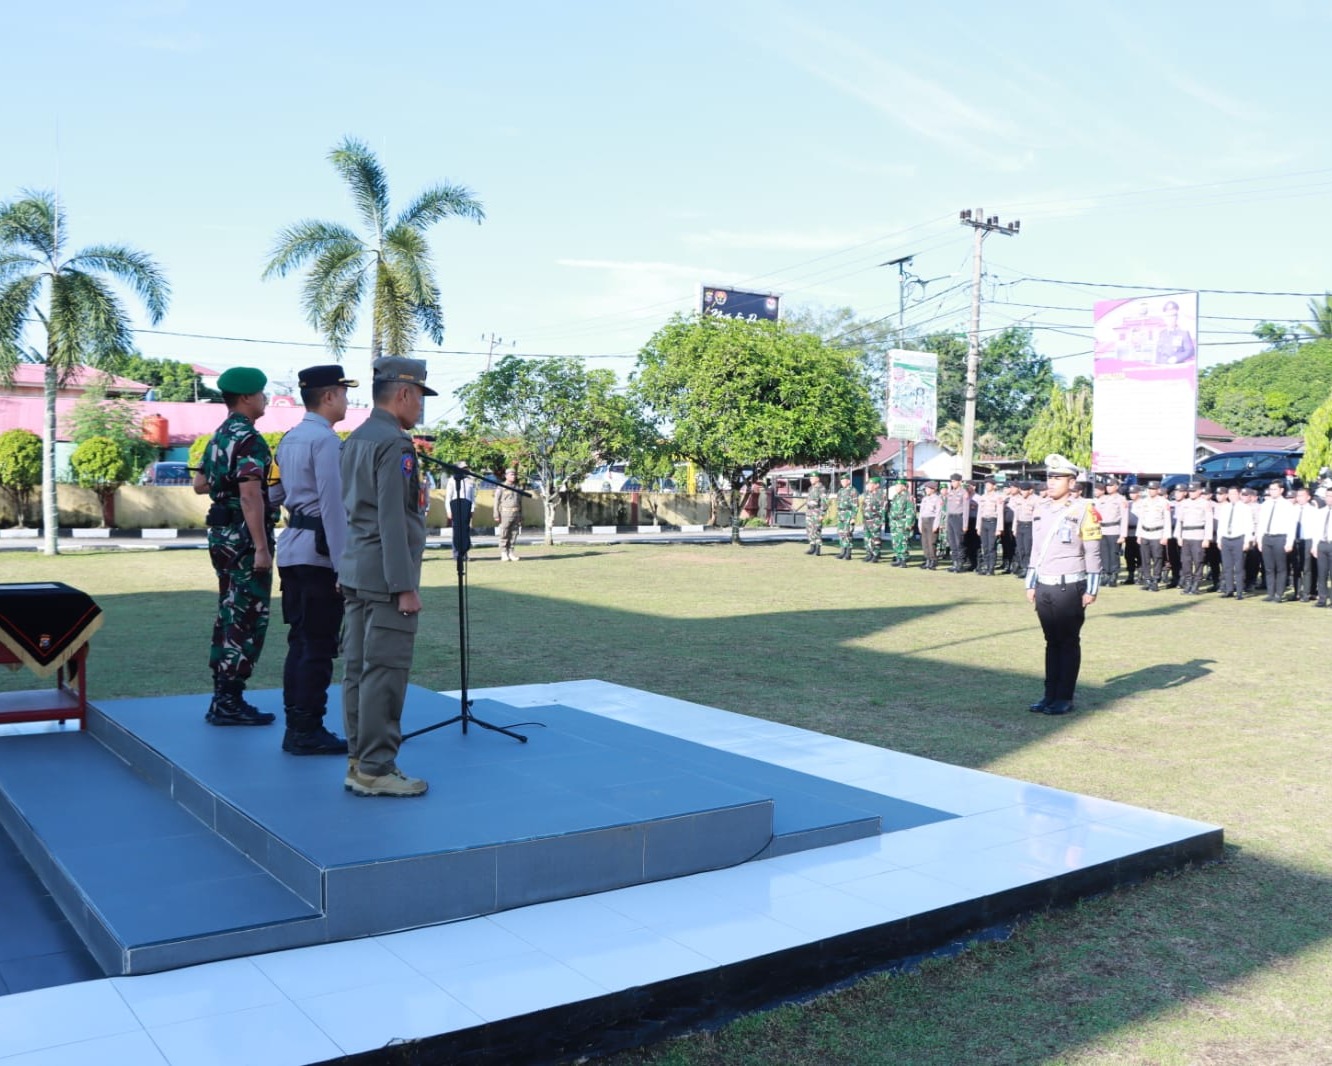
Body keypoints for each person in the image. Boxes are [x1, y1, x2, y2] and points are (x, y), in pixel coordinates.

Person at [339, 356, 437, 798]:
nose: (420, 407)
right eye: (419, 397)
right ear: (403, 393)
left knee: (358, 670)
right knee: (385, 672)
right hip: (385, 577)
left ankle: (359, 762)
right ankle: (378, 767)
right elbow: (394, 521)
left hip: (358, 568)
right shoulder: (394, 445)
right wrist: (405, 587)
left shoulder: (357, 438)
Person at [271, 364, 357, 755]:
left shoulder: (290, 438)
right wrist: (343, 566)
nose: (346, 399)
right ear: (328, 396)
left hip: (293, 549)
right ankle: (307, 730)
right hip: (319, 553)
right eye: (342, 392)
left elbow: (274, 494)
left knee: (301, 642)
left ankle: (298, 725)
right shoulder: (324, 442)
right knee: (319, 646)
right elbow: (334, 506)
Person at [194, 367, 278, 727]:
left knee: (229, 610)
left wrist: (221, 483)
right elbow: (250, 495)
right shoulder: (249, 440)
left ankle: (222, 697)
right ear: (246, 397)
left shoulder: (218, 437)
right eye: (261, 393)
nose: (265, 399)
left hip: (221, 536)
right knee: (246, 615)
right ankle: (229, 701)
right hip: (244, 539)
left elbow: (200, 483)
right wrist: (261, 546)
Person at [1026, 454, 1102, 716]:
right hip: (1044, 584)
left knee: (1068, 642)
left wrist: (1092, 588)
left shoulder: (1084, 509)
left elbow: (1093, 552)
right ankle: (1049, 695)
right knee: (1051, 642)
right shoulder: (1042, 508)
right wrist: (1031, 582)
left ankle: (1064, 697)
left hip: (1070, 585)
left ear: (1072, 482)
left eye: (1058, 478)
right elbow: (1037, 548)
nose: (1052, 482)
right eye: (1050, 477)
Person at [1256, 479, 1297, 602]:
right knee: (1268, 568)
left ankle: (1279, 593)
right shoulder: (1265, 505)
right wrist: (1259, 540)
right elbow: (1261, 524)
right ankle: (1270, 593)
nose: (1272, 492)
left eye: (1275, 489)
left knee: (1281, 567)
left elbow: (1291, 525)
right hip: (1267, 537)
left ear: (1281, 490)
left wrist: (1289, 542)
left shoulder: (1287, 505)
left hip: (1280, 537)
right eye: (1271, 489)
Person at [1172, 481, 1214, 595]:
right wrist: (1178, 536)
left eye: (1194, 491)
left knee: (1198, 561)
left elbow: (1209, 522)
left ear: (1200, 491)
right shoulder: (1184, 503)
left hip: (1198, 536)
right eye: (1190, 491)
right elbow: (1179, 521)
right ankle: (1188, 583)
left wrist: (1207, 538)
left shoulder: (1205, 503)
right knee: (1185, 561)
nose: (1191, 493)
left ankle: (1196, 585)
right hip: (1186, 535)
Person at [1214, 484, 1254, 600]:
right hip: (1226, 539)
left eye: (1234, 494)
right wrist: (1219, 539)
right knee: (1227, 566)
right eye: (1230, 494)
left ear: (1239, 494)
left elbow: (1249, 525)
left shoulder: (1245, 508)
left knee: (1239, 567)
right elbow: (1221, 525)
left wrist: (1247, 541)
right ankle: (1229, 589)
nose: (1232, 496)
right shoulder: (1225, 507)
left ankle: (1240, 591)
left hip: (1238, 539)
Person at [1132, 480, 1170, 591]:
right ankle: (1147, 579)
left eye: (1153, 489)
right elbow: (1141, 519)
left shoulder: (1164, 502)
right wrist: (1138, 535)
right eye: (1149, 489)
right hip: (1144, 533)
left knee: (1157, 558)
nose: (1151, 491)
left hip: (1157, 533)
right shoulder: (1144, 502)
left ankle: (1156, 580)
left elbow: (1167, 520)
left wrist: (1165, 536)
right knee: (1145, 558)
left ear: (1158, 490)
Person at [1096, 479, 1126, 587]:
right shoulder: (1102, 499)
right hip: (1102, 530)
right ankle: (1105, 575)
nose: (1108, 487)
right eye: (1107, 486)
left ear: (1116, 486)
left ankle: (1113, 575)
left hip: (1114, 529)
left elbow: (1124, 517)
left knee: (1114, 554)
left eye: (1111, 485)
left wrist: (1123, 535)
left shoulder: (1121, 499)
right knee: (1103, 554)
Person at [974, 479, 1004, 575]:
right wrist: (978, 526)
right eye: (986, 484)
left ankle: (991, 568)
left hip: (993, 522)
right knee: (985, 546)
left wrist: (999, 528)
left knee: (991, 546)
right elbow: (979, 513)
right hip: (983, 522)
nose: (987, 486)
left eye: (989, 484)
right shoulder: (983, 497)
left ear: (994, 486)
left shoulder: (998, 497)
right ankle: (986, 566)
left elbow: (1000, 513)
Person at [495, 468, 523, 561]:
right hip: (505, 513)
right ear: (506, 476)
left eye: (514, 475)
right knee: (504, 533)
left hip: (516, 513)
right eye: (511, 475)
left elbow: (520, 502)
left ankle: (510, 552)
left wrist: (521, 515)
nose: (513, 476)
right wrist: (496, 514)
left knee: (514, 533)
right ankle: (504, 553)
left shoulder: (517, 487)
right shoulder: (501, 487)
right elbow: (496, 501)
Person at [1155, 299, 1196, 364]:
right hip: (1161, 366)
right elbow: (1158, 353)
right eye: (1168, 316)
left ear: (1177, 318)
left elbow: (1190, 351)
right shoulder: (1162, 334)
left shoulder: (1183, 333)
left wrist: (1177, 358)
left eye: (1173, 316)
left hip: (1176, 367)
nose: (1170, 319)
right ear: (1165, 318)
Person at [944, 474, 970, 573]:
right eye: (952, 481)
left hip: (959, 518)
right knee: (952, 542)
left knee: (959, 542)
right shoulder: (950, 493)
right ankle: (954, 563)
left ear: (960, 481)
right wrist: (947, 521)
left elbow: (966, 509)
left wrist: (965, 524)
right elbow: (948, 509)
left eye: (954, 481)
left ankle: (960, 564)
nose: (953, 483)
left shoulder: (964, 493)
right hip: (950, 518)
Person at [1012, 481, 1037, 579]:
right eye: (1021, 490)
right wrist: (1014, 528)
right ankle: (1023, 567)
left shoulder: (1036, 500)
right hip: (1020, 525)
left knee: (1028, 549)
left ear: (1030, 491)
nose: (1022, 492)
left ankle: (1029, 568)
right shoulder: (1018, 499)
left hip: (1029, 526)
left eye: (1025, 490)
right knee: (1020, 548)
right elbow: (1016, 515)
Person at [888, 480, 916, 566]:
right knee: (896, 541)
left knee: (902, 541)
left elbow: (910, 511)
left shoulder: (908, 497)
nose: (896, 487)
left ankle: (903, 559)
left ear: (904, 487)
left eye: (898, 485)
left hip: (902, 522)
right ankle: (898, 558)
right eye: (896, 486)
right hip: (895, 522)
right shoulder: (896, 496)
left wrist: (909, 523)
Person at [1311, 497, 1332, 608]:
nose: (1329, 498)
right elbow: (1316, 530)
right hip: (1322, 544)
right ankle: (1322, 599)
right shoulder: (1321, 512)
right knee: (1322, 574)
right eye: (1327, 496)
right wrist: (1314, 546)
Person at [860, 476, 886, 562]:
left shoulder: (881, 495)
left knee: (876, 538)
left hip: (875, 520)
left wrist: (881, 521)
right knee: (867, 538)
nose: (868, 486)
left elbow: (883, 509)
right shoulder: (867, 494)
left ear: (877, 485)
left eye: (871, 484)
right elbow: (864, 506)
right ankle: (869, 553)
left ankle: (876, 554)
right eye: (868, 484)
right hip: (867, 520)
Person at [917, 482, 942, 570]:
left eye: (928, 488)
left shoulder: (937, 499)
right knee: (925, 542)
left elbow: (939, 513)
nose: (926, 490)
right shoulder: (925, 499)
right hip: (924, 520)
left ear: (933, 489)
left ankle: (933, 560)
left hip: (932, 520)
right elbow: (921, 513)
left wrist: (936, 525)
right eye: (926, 488)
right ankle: (927, 559)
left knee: (931, 542)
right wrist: (919, 524)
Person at [835, 473, 859, 560]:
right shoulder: (841, 491)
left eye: (844, 480)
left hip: (848, 513)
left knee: (847, 533)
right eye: (841, 480)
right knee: (841, 533)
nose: (842, 482)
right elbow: (838, 502)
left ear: (848, 481)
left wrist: (853, 517)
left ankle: (848, 553)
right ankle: (842, 552)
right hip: (841, 514)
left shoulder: (853, 491)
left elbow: (855, 505)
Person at [803, 475, 829, 556]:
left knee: (816, 530)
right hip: (809, 511)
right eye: (810, 478)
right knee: (810, 530)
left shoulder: (821, 488)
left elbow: (824, 502)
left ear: (817, 479)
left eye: (813, 478)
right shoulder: (810, 488)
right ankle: (812, 547)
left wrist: (822, 514)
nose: (811, 480)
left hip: (817, 511)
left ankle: (817, 549)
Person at [1123, 484, 1142, 585]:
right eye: (1130, 493)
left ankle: (1140, 576)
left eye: (1134, 492)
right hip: (1129, 533)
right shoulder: (1128, 503)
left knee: (1140, 555)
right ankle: (1130, 576)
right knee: (1128, 555)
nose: (1132, 494)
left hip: (1139, 533)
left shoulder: (1143, 503)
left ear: (1139, 493)